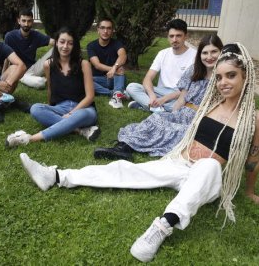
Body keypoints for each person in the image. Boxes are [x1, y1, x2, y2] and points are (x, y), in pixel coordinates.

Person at [19, 43, 259, 262]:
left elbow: (253, 159)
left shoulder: (253, 119)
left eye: (231, 76)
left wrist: (248, 191)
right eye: (218, 77)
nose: (223, 82)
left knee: (210, 165)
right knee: (128, 170)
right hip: (180, 164)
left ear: (245, 76)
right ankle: (57, 176)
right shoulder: (211, 103)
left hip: (207, 180)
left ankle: (163, 226)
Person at [94, 34, 223, 161]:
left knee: (169, 129)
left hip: (201, 120)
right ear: (200, 54)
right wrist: (172, 115)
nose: (209, 57)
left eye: (214, 52)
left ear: (221, 52)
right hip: (183, 112)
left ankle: (126, 148)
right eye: (205, 53)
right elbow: (182, 98)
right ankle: (123, 147)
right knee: (157, 118)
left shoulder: (223, 78)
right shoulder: (194, 70)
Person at [5, 27, 100, 147]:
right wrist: (50, 108)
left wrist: (72, 113)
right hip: (61, 107)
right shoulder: (48, 64)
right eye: (62, 42)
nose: (65, 46)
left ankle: (31, 138)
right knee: (35, 108)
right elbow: (50, 88)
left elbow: (90, 96)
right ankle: (81, 131)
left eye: (70, 43)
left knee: (81, 115)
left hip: (84, 109)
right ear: (56, 43)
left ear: (74, 46)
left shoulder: (84, 64)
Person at [126, 19, 197, 112]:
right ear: (167, 37)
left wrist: (163, 99)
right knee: (132, 87)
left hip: (180, 94)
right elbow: (148, 78)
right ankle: (157, 108)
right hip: (160, 92)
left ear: (186, 36)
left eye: (178, 36)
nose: (174, 40)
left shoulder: (195, 56)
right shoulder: (162, 53)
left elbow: (190, 88)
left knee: (185, 108)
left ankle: (148, 106)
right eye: (171, 36)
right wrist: (152, 96)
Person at [4, 8, 54, 89]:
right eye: (23, 21)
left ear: (32, 22)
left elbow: (52, 42)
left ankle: (63, 75)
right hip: (19, 71)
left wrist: (66, 44)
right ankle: (44, 80)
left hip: (33, 68)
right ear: (18, 21)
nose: (26, 24)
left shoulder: (36, 35)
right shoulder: (10, 36)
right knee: (40, 83)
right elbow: (6, 57)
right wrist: (4, 74)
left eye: (29, 21)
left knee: (59, 48)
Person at [87, 18, 127, 109]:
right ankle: (116, 93)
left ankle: (117, 97)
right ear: (98, 30)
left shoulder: (117, 43)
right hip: (98, 80)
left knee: (120, 70)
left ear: (112, 31)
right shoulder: (91, 46)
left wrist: (114, 68)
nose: (105, 31)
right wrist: (113, 69)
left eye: (109, 28)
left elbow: (123, 56)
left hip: (114, 78)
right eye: (102, 28)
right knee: (83, 80)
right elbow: (97, 65)